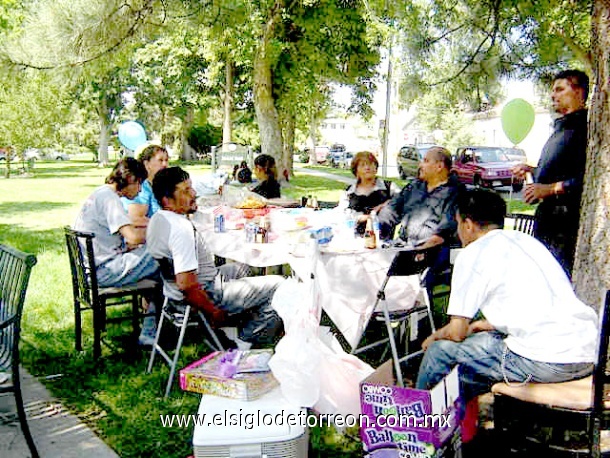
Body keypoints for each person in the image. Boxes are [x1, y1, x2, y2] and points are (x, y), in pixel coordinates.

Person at [416, 188, 597, 404]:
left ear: (468, 224)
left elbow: (456, 333)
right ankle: (458, 422)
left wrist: (433, 337)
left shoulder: (473, 254)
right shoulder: (526, 242)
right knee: (471, 365)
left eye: (458, 224)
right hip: (585, 353)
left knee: (440, 352)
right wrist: (485, 324)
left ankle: (417, 422)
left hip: (546, 361)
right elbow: (532, 303)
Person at [147, 166, 284, 346]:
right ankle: (244, 342)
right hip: (206, 294)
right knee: (280, 285)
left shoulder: (157, 219)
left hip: (176, 293)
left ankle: (230, 329)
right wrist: (213, 312)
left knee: (244, 266)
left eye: (192, 187)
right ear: (167, 200)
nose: (194, 193)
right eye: (186, 191)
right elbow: (187, 285)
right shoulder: (181, 230)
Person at [73, 158, 160, 344]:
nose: (139, 190)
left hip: (95, 268)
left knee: (155, 264)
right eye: (139, 184)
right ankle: (153, 329)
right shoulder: (110, 199)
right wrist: (160, 233)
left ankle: (154, 323)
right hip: (104, 271)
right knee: (162, 256)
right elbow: (133, 237)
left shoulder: (99, 193)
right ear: (130, 179)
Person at [512, 69, 589, 276]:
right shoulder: (560, 129)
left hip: (566, 226)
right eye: (552, 91)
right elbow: (557, 172)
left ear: (579, 92)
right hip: (547, 221)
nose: (553, 95)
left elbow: (590, 180)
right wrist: (531, 171)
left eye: (560, 89)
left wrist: (550, 189)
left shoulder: (586, 129)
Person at [344, 151, 400, 234]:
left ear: (376, 168)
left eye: (370, 164)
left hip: (383, 240)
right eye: (362, 165)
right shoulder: (349, 192)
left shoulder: (389, 187)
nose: (367, 167)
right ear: (356, 171)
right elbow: (342, 215)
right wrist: (363, 218)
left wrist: (383, 205)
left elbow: (403, 199)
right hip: (355, 239)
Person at [121, 143, 169, 223]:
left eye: (166, 160)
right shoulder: (140, 187)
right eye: (160, 160)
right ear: (146, 164)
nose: (165, 164)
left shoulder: (159, 186)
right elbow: (136, 218)